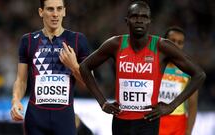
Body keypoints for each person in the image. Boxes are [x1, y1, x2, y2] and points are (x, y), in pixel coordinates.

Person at [78, 1, 206, 135]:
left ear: (150, 21)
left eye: (144, 17)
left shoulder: (161, 46)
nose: (139, 20)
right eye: (134, 16)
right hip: (120, 122)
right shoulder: (115, 44)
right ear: (127, 20)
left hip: (148, 122)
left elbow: (199, 74)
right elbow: (84, 67)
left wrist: (172, 106)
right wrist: (103, 102)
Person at [10, 0, 89, 134]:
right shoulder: (28, 41)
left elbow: (89, 85)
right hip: (35, 119)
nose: (55, 14)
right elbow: (21, 80)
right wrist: (16, 100)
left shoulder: (77, 40)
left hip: (64, 119)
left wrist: (74, 66)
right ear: (41, 12)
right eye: (50, 9)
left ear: (64, 11)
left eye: (59, 9)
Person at [158, 26, 198, 135]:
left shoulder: (190, 70)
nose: (176, 45)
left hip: (177, 124)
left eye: (180, 42)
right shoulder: (153, 64)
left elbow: (193, 104)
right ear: (164, 42)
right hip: (154, 118)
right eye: (172, 41)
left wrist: (189, 130)